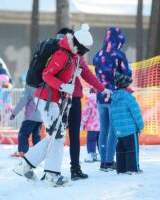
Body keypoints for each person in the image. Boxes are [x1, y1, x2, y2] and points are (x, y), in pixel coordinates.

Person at [13, 24, 93, 187]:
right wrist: (63, 86)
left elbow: (62, 75)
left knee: (55, 136)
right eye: (85, 48)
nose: (84, 53)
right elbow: (46, 75)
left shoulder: (71, 55)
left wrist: (72, 75)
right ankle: (48, 174)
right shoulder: (63, 54)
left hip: (51, 100)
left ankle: (30, 167)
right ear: (78, 45)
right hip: (47, 99)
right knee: (57, 136)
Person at [56, 28, 112, 180]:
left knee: (55, 136)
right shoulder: (74, 56)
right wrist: (103, 89)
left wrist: (102, 88)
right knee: (71, 136)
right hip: (70, 98)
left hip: (58, 98)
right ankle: (73, 169)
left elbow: (87, 75)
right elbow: (88, 75)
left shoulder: (70, 55)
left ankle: (52, 170)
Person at [93, 27, 132, 171]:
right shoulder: (119, 55)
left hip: (100, 96)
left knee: (103, 130)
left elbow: (96, 74)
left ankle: (103, 161)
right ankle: (109, 161)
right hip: (114, 97)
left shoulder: (98, 54)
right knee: (114, 130)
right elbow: (127, 75)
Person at [110, 74, 144, 174]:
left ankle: (121, 169)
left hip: (119, 130)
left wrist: (115, 128)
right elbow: (136, 113)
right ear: (125, 86)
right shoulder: (129, 98)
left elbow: (112, 115)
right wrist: (140, 126)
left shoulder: (114, 98)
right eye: (129, 85)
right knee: (132, 149)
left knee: (120, 149)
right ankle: (133, 169)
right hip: (130, 130)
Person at [10, 85, 43, 157]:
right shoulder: (43, 86)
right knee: (36, 135)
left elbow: (22, 101)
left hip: (31, 116)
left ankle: (23, 151)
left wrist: (14, 113)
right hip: (41, 116)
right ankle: (38, 153)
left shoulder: (30, 88)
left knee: (23, 134)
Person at [81, 88, 100, 163]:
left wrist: (82, 124)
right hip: (102, 126)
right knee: (100, 141)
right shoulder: (102, 100)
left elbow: (86, 113)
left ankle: (92, 155)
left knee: (91, 140)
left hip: (92, 126)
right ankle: (102, 155)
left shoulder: (89, 101)